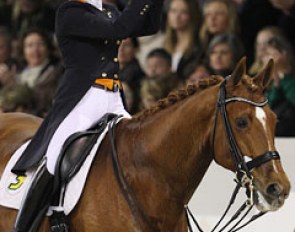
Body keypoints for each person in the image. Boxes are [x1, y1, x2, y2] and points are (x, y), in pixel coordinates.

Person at [11, 0, 164, 231]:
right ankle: (27, 225)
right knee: (53, 159)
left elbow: (148, 26)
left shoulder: (109, 9)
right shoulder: (69, 11)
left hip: (112, 97)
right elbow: (119, 30)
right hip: (81, 99)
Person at [262, 36, 295, 136]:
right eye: (266, 54)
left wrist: (285, 74)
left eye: (273, 54)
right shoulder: (263, 84)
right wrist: (276, 85)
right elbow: (266, 110)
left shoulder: (290, 80)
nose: (269, 58)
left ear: (285, 54)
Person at [164, 0, 202, 80]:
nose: (177, 16)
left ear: (192, 15)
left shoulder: (199, 46)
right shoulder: (165, 44)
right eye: (173, 11)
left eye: (184, 12)